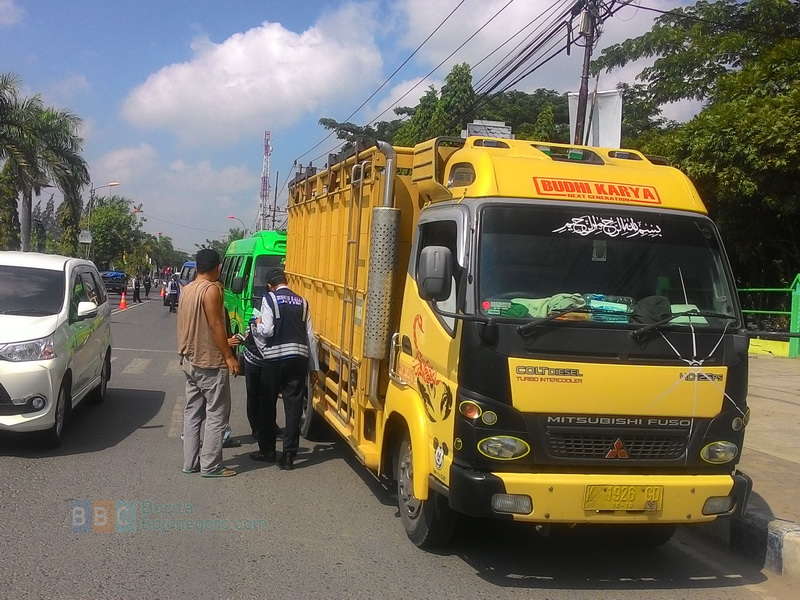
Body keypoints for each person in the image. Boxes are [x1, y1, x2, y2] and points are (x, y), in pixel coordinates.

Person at [244, 267, 318, 470]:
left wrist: (257, 323)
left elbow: (267, 331)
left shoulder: (270, 299)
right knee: (293, 408)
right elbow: (310, 337)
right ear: (286, 281)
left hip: (274, 361)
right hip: (298, 360)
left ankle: (267, 451)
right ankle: (288, 456)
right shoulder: (302, 302)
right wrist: (314, 368)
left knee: (266, 405)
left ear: (270, 286)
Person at [177, 248, 241, 478]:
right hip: (210, 362)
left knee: (193, 412)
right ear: (218, 268)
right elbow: (216, 326)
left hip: (189, 358)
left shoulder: (187, 289)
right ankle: (211, 465)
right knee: (216, 414)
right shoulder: (211, 290)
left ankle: (190, 462)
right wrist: (229, 356)